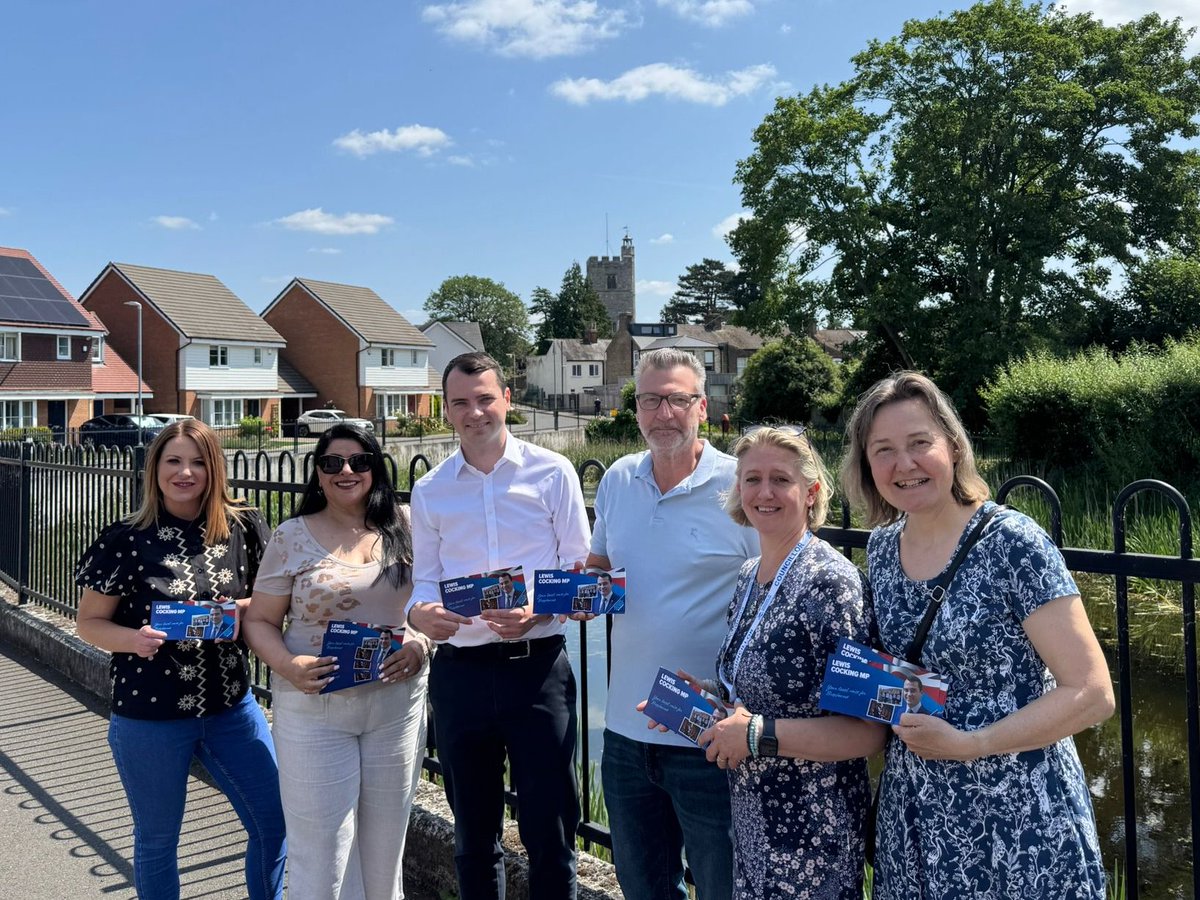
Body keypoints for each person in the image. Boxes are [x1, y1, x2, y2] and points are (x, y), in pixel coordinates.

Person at [841, 371, 1115, 899]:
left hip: (1017, 819)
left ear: (953, 445)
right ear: (866, 464)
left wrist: (972, 744)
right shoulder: (882, 548)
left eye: (920, 443)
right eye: (884, 450)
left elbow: (1091, 693)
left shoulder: (1012, 543)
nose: (905, 464)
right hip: (916, 817)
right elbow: (905, 674)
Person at [74, 420, 286, 900]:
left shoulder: (244, 527)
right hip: (149, 715)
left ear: (214, 468)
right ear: (155, 468)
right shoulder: (124, 538)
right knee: (158, 841)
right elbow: (90, 623)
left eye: (198, 461)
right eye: (173, 460)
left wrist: (233, 613)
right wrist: (135, 639)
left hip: (231, 707)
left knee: (273, 822)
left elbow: (273, 603)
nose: (185, 472)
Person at [407, 351, 590, 900]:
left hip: (536, 672)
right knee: (473, 833)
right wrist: (421, 615)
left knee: (550, 827)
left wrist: (540, 610)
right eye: (461, 403)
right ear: (446, 411)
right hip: (460, 672)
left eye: (485, 398)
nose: (475, 412)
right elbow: (423, 583)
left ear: (507, 400)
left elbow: (578, 570)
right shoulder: (431, 489)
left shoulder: (553, 472)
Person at [585, 347, 759, 900]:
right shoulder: (617, 478)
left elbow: (776, 594)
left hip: (707, 731)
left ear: (702, 407)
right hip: (625, 735)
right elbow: (601, 568)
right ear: (635, 409)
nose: (663, 413)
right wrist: (581, 591)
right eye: (650, 400)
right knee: (643, 887)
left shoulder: (741, 485)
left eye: (677, 400)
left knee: (721, 887)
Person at [243, 423, 433, 900]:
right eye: (332, 463)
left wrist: (419, 643)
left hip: (396, 710)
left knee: (386, 855)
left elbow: (431, 604)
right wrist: (287, 666)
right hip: (315, 713)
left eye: (358, 461)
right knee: (322, 858)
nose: (346, 471)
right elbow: (259, 622)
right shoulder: (291, 536)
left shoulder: (409, 525)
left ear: (376, 468)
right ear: (319, 474)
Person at [692, 425, 883, 899]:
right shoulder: (748, 575)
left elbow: (868, 731)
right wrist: (706, 700)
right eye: (752, 479)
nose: (764, 492)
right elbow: (759, 696)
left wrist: (756, 734)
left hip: (814, 833)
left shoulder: (832, 584)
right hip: (756, 823)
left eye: (781, 479)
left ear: (811, 491)